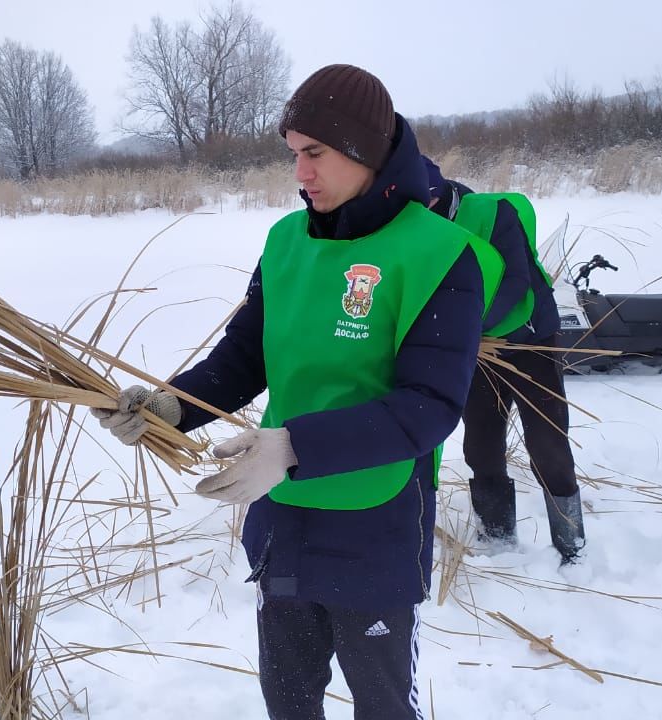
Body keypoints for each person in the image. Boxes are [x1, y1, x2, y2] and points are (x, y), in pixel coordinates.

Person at [93, 64, 504, 720]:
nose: (300, 174)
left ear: (364, 152)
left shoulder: (440, 254)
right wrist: (174, 407)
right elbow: (243, 358)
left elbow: (428, 408)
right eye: (293, 155)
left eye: (314, 154)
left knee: (382, 704)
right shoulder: (286, 242)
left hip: (377, 529)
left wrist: (292, 445)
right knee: (287, 699)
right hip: (283, 522)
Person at [422, 157, 586, 564]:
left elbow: (515, 285)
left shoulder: (494, 213)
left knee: (548, 445)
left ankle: (572, 546)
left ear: (435, 193)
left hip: (530, 341)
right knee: (481, 445)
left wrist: (463, 330)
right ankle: (497, 539)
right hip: (481, 351)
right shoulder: (417, 229)